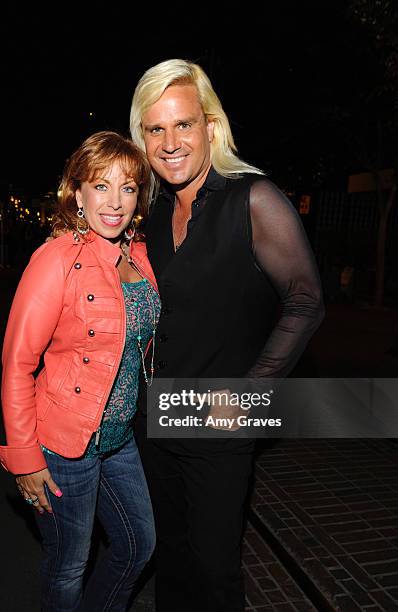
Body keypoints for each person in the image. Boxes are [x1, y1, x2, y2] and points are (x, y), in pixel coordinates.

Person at [129, 59, 325, 611]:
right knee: (168, 557)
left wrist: (249, 394)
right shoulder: (154, 208)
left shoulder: (253, 198)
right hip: (154, 417)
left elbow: (306, 302)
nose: (170, 142)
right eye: (155, 128)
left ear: (210, 127)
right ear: (142, 136)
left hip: (219, 423)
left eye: (183, 124)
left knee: (216, 571)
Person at [0, 131, 160, 612]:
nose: (115, 201)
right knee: (68, 566)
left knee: (137, 546)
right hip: (64, 443)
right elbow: (17, 364)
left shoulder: (138, 255)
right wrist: (26, 457)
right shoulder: (56, 260)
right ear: (77, 192)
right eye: (101, 186)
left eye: (127, 188)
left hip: (119, 437)